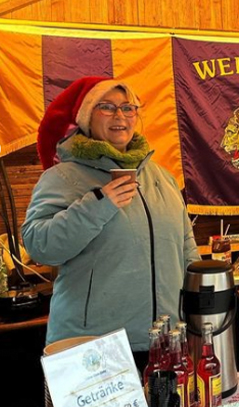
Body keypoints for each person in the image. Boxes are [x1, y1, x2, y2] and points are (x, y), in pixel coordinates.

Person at [21, 77, 200, 369]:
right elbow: (40, 247)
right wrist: (98, 205)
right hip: (93, 348)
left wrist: (198, 309)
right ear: (86, 118)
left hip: (164, 342)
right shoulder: (62, 178)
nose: (120, 116)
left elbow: (186, 247)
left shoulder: (161, 177)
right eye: (107, 107)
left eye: (128, 108)